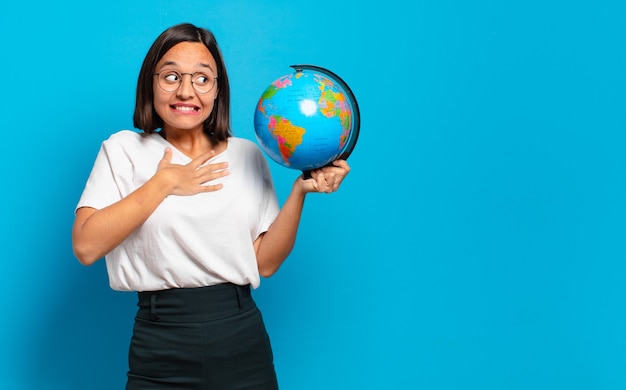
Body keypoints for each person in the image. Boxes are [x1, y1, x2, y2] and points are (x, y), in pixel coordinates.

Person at [72, 22, 350, 389]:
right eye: (171, 76)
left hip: (240, 336)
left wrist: (300, 191)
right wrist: (163, 184)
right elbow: (86, 246)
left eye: (202, 79)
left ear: (217, 90)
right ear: (150, 83)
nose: (186, 90)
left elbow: (264, 262)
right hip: (159, 339)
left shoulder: (247, 154)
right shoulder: (122, 150)